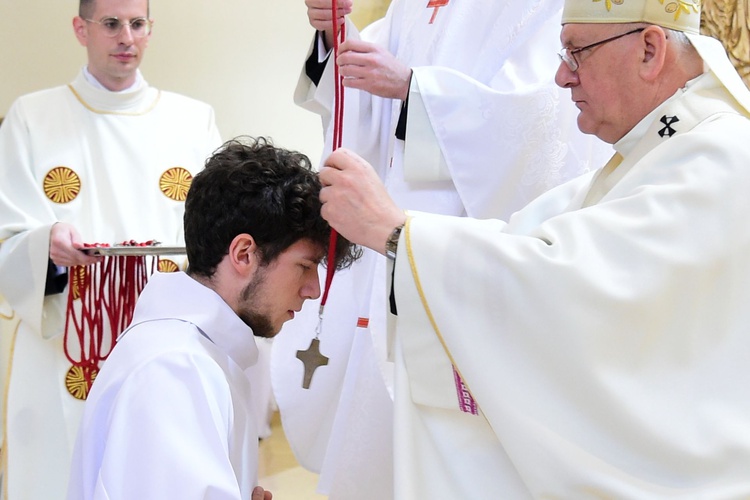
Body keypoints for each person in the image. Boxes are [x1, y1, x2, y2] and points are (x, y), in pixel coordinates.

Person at [317, 0, 750, 496]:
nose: (562, 78)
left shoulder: (717, 156)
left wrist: (395, 232)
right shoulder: (659, 148)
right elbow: (536, 239)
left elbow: (572, 285)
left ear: (650, 50)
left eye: (575, 53)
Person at [272, 1, 613, 497]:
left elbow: (540, 121)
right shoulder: (408, 6)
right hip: (386, 252)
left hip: (461, 254)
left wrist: (415, 87)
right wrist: (334, 35)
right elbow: (367, 97)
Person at [0, 0, 222, 498]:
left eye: (138, 23)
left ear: (150, 29)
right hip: (67, 342)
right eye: (111, 24)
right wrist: (45, 243)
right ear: (81, 29)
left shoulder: (193, 120)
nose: (127, 37)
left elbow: (220, 234)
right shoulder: (31, 116)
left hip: (164, 337)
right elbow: (7, 236)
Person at [66, 136, 357, 500]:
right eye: (304, 266)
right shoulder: (177, 366)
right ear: (244, 253)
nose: (313, 289)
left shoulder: (193, 352)